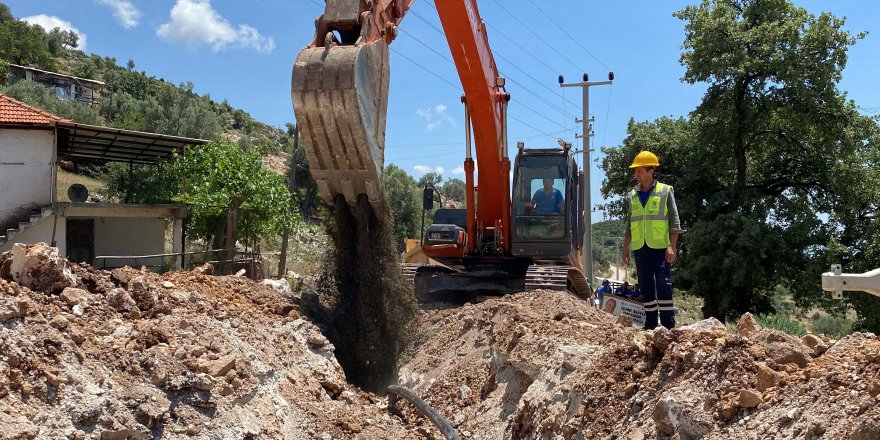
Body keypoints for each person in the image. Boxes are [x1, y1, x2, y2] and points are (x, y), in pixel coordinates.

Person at [621, 150, 684, 330]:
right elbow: (629, 224)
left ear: (651, 171)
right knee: (646, 288)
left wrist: (672, 246)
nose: (636, 174)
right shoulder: (632, 195)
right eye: (636, 171)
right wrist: (626, 249)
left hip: (660, 248)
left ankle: (668, 326)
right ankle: (649, 326)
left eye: (639, 170)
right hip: (640, 248)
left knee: (663, 287)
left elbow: (675, 221)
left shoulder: (665, 191)